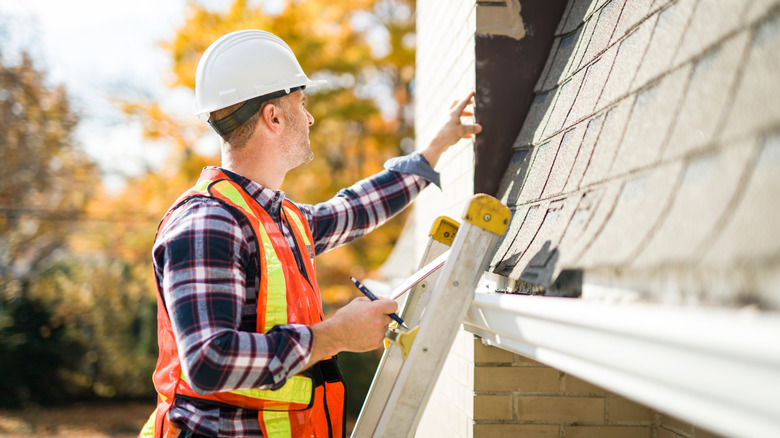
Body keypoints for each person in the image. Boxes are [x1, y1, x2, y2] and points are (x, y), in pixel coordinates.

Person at [139, 29, 481, 438]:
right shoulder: (207, 222)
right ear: (274, 116)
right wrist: (334, 336)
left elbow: (352, 209)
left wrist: (434, 150)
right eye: (302, 104)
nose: (311, 117)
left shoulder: (279, 219)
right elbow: (210, 360)